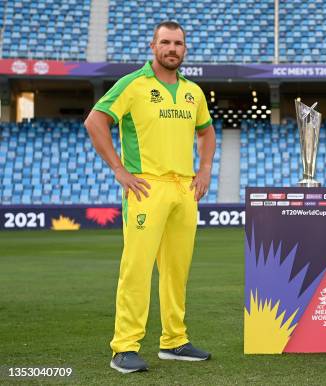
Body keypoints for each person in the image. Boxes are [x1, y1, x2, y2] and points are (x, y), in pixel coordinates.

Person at [84, 20, 216, 373]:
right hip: (146, 187)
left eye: (179, 44)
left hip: (185, 189)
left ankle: (174, 341)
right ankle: (124, 347)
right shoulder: (133, 84)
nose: (173, 49)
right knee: (137, 269)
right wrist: (119, 169)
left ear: (185, 49)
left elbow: (206, 132)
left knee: (177, 270)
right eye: (166, 43)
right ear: (153, 46)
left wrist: (204, 170)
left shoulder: (193, 92)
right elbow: (95, 121)